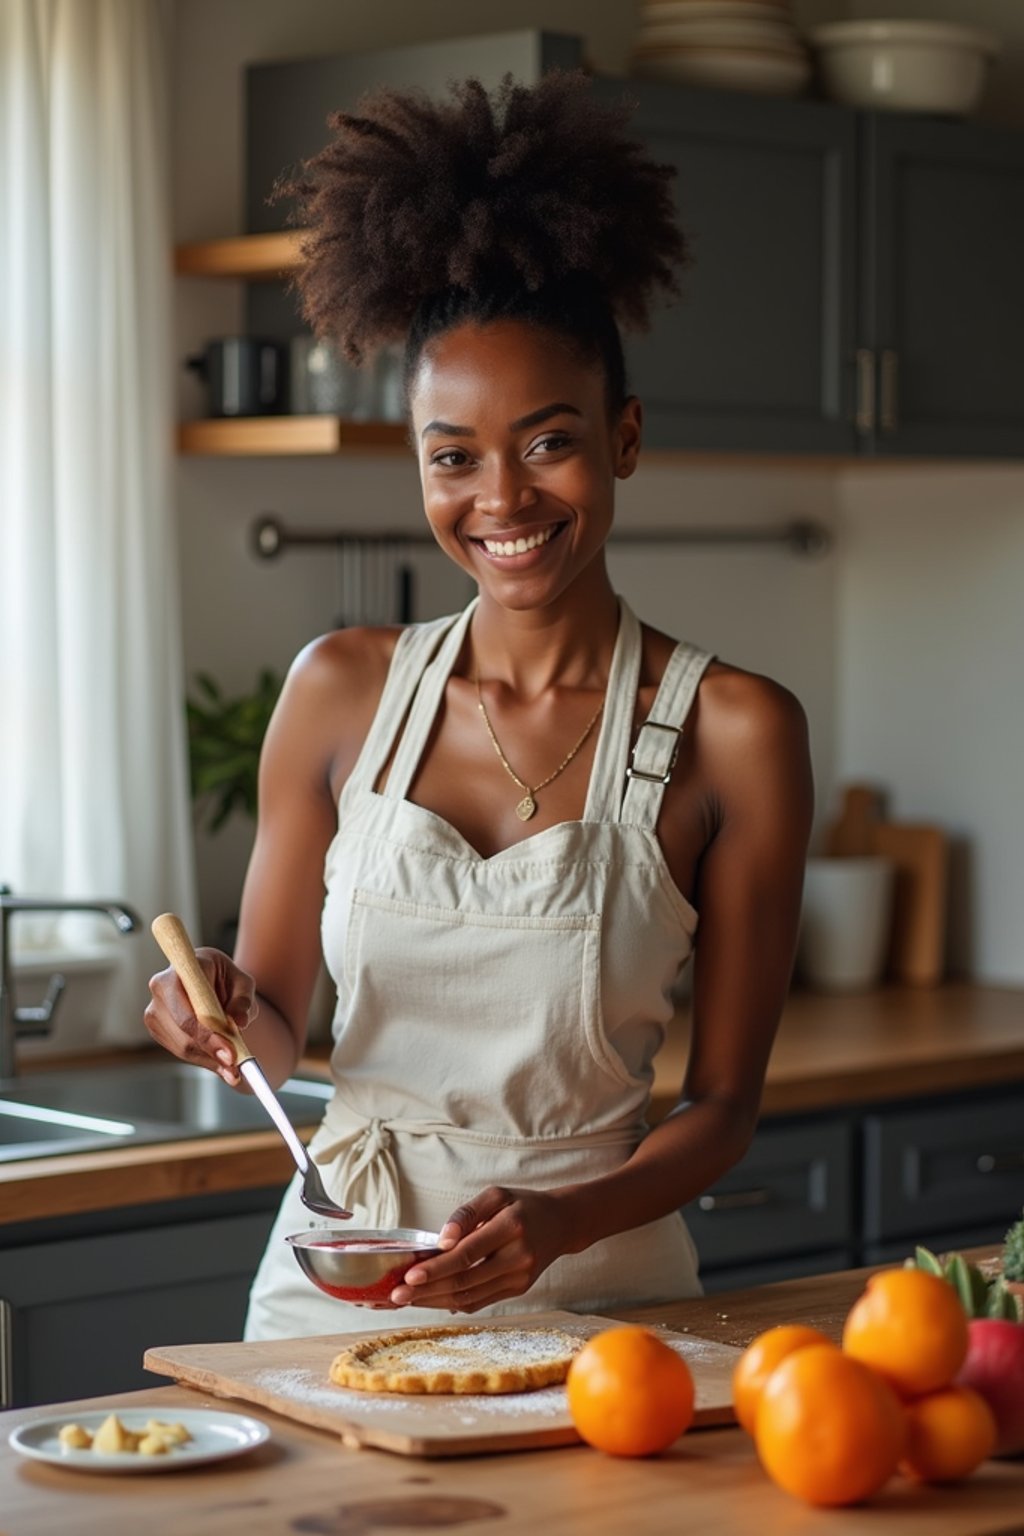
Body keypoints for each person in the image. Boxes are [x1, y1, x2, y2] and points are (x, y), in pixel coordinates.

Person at [146, 72, 814, 1340]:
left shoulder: (736, 730)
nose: (500, 498)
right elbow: (276, 1033)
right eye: (453, 456)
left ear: (623, 438)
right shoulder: (340, 689)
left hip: (599, 1302)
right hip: (336, 1282)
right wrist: (218, 1014)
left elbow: (723, 1109)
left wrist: (560, 1222)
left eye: (547, 441)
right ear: (419, 466)